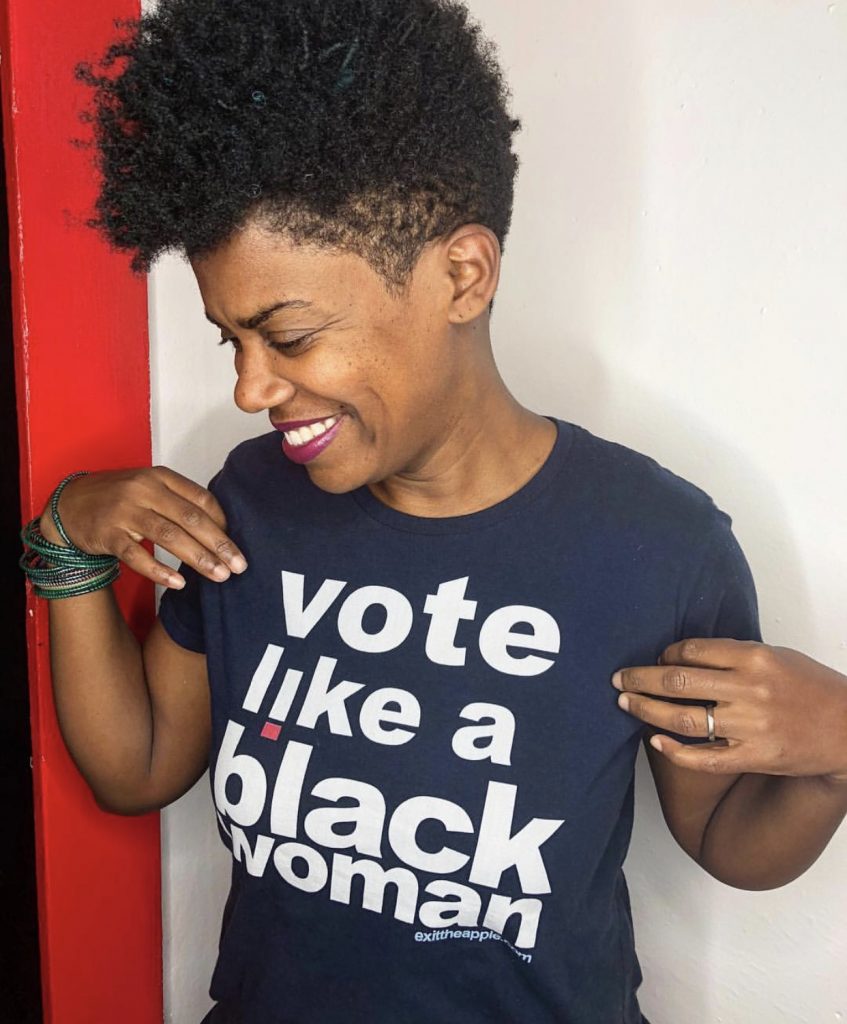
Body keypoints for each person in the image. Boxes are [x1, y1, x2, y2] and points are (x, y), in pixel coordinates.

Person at [19, 1, 847, 1021]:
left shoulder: (655, 546)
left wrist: (837, 745)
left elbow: (725, 838)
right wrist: (65, 545)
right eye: (229, 340)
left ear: (461, 274)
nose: (249, 388)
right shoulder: (249, 504)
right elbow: (138, 767)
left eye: (289, 335)